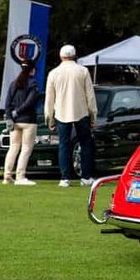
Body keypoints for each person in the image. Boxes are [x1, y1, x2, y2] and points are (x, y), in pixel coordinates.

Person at [44, 44, 97, 188]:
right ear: (74, 55)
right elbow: (90, 97)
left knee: (63, 145)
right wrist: (93, 116)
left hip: (61, 113)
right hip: (82, 113)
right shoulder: (83, 71)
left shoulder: (54, 73)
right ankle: (86, 177)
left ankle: (65, 178)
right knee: (86, 144)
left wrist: (50, 119)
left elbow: (49, 99)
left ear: (61, 57)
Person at [0, 61, 39, 186]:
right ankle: (20, 176)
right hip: (28, 120)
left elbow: (7, 103)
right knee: (26, 149)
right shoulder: (33, 83)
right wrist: (18, 112)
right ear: (32, 70)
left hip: (15, 122)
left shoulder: (14, 83)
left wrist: (10, 116)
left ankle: (7, 176)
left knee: (13, 147)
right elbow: (30, 102)